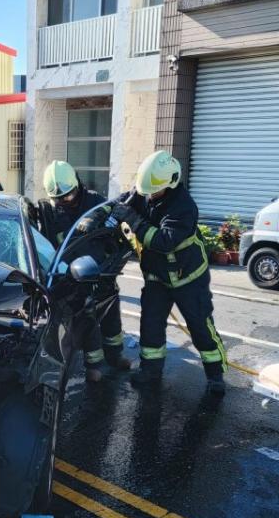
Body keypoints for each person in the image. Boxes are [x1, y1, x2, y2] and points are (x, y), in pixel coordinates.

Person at [85, 151, 227, 395]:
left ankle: (215, 376)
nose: (148, 196)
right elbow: (118, 203)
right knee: (150, 325)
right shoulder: (146, 191)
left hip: (187, 277)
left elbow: (163, 241)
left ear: (170, 184)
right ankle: (150, 371)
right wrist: (97, 216)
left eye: (154, 191)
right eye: (146, 190)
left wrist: (132, 219)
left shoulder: (183, 207)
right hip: (156, 277)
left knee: (200, 326)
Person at [41, 160, 130, 383]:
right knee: (86, 317)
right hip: (72, 276)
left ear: (77, 186)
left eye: (68, 196)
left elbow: (117, 213)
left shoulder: (94, 202)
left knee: (111, 314)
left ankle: (116, 355)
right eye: (58, 198)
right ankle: (94, 365)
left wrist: (103, 220)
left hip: (102, 269)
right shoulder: (49, 212)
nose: (63, 201)